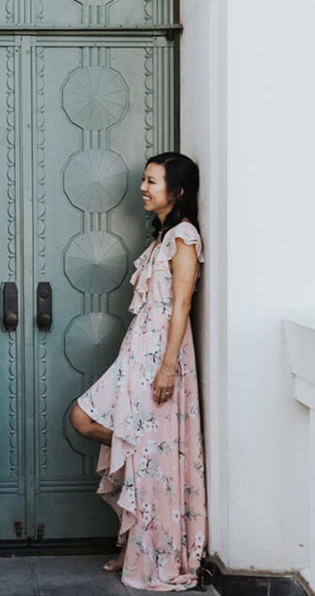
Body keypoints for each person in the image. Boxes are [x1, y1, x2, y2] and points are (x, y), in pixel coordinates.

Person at [70, 152, 207, 591]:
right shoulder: (163, 237)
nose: (144, 188)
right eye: (144, 180)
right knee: (87, 420)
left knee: (137, 443)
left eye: (153, 181)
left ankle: (146, 551)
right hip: (139, 352)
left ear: (178, 190)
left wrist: (168, 368)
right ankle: (138, 531)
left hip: (160, 358)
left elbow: (182, 304)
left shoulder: (184, 237)